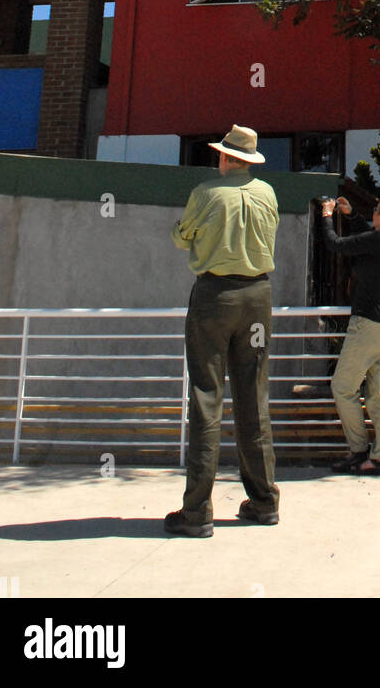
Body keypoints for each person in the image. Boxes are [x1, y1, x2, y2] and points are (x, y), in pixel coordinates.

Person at [164, 125, 280, 537]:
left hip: (215, 295)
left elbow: (182, 238)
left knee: (206, 396)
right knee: (254, 394)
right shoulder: (267, 193)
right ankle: (264, 501)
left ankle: (197, 510)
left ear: (226, 157)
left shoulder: (207, 192)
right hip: (258, 296)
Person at [320, 194, 380, 475]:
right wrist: (350, 214)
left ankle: (358, 452)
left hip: (368, 325)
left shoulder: (375, 241)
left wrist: (327, 215)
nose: (373, 216)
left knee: (343, 388)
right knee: (379, 394)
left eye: (376, 213)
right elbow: (368, 237)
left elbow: (335, 244)